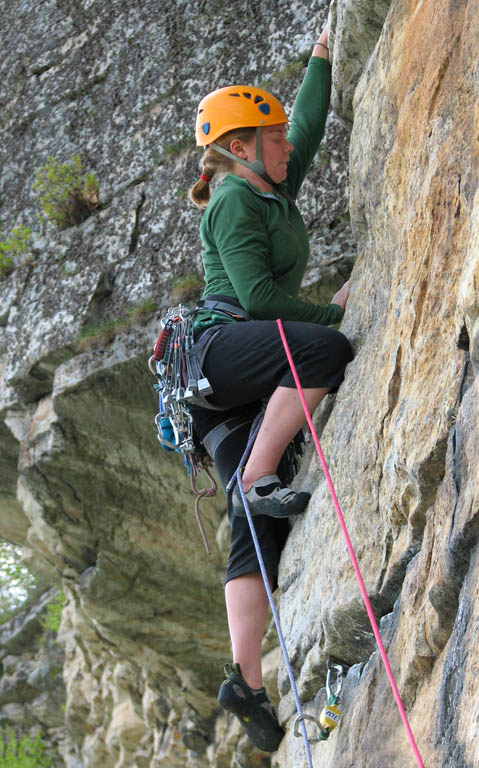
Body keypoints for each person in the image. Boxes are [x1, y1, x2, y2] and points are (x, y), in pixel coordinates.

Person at [187, 23, 353, 752]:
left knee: (258, 527)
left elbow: (310, 124)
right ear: (241, 148)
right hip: (222, 350)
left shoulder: (272, 186)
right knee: (323, 347)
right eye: (273, 136)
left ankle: (245, 681)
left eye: (282, 136)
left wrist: (320, 52)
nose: (288, 144)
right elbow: (256, 300)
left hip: (232, 381)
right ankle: (258, 474)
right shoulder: (233, 198)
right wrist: (332, 310)